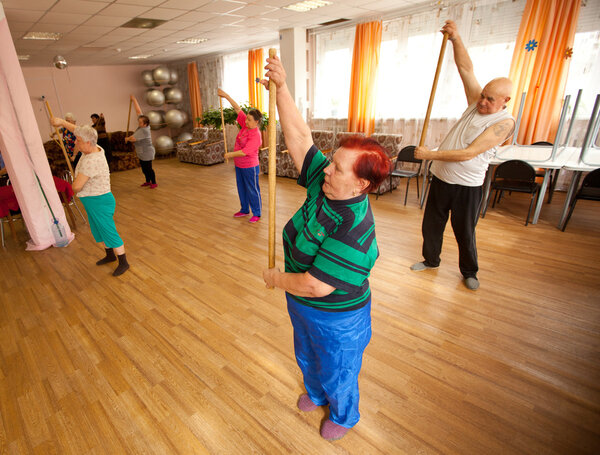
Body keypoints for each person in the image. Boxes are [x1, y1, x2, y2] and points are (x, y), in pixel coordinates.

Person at [260, 56, 389, 441]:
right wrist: (282, 88)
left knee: (339, 367)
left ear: (362, 185)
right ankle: (316, 394)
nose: (326, 170)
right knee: (307, 355)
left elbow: (317, 286)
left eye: (338, 168)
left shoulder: (356, 230)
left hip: (337, 317)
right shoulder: (328, 184)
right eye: (331, 163)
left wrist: (275, 278)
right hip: (303, 303)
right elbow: (300, 138)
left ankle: (345, 414)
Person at [412, 20, 515, 291]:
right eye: (482, 95)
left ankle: (469, 272)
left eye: (490, 99)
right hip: (441, 180)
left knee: (464, 232)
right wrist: (456, 38)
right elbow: (465, 68)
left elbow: (469, 153)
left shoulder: (504, 123)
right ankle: (430, 260)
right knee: (432, 225)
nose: (482, 101)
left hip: (467, 187)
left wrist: (431, 154)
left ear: (505, 101)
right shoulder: (476, 105)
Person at [50, 118, 129, 276]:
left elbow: (77, 186)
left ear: (87, 142)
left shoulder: (92, 160)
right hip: (93, 201)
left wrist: (73, 182)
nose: (76, 143)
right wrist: (62, 122)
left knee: (108, 231)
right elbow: (78, 130)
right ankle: (109, 255)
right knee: (98, 229)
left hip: (99, 201)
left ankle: (123, 262)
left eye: (78, 141)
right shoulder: (95, 146)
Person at [217, 88, 262, 223]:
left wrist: (229, 154)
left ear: (256, 122)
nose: (246, 122)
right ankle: (244, 209)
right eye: (246, 119)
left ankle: (257, 213)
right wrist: (226, 96)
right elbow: (237, 109)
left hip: (250, 166)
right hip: (239, 165)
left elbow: (244, 152)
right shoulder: (245, 126)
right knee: (241, 187)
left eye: (249, 120)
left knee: (252, 189)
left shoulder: (256, 135)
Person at [125, 95, 157, 189]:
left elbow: (133, 139)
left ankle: (154, 182)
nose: (138, 123)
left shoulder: (144, 130)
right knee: (144, 169)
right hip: (141, 152)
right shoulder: (142, 125)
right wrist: (134, 100)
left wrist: (127, 139)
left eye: (140, 123)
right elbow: (138, 111)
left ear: (145, 124)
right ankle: (147, 181)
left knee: (148, 169)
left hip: (147, 152)